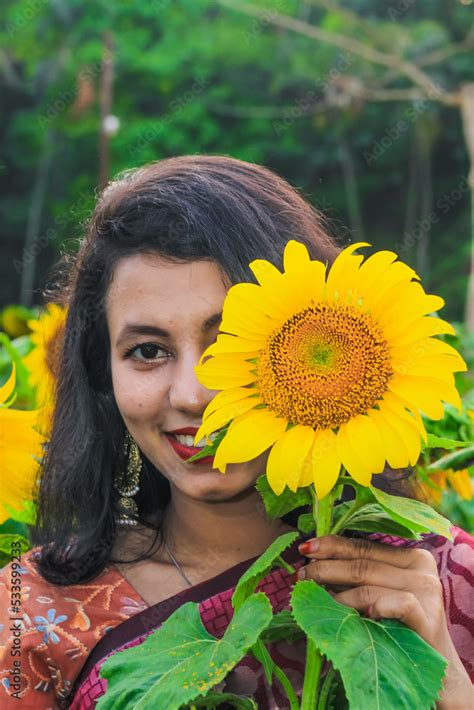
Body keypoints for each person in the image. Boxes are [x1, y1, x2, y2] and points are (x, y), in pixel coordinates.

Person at [0, 155, 472, 709]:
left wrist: (439, 678)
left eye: (228, 344)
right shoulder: (34, 612)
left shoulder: (443, 581)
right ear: (105, 375)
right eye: (147, 351)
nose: (191, 395)